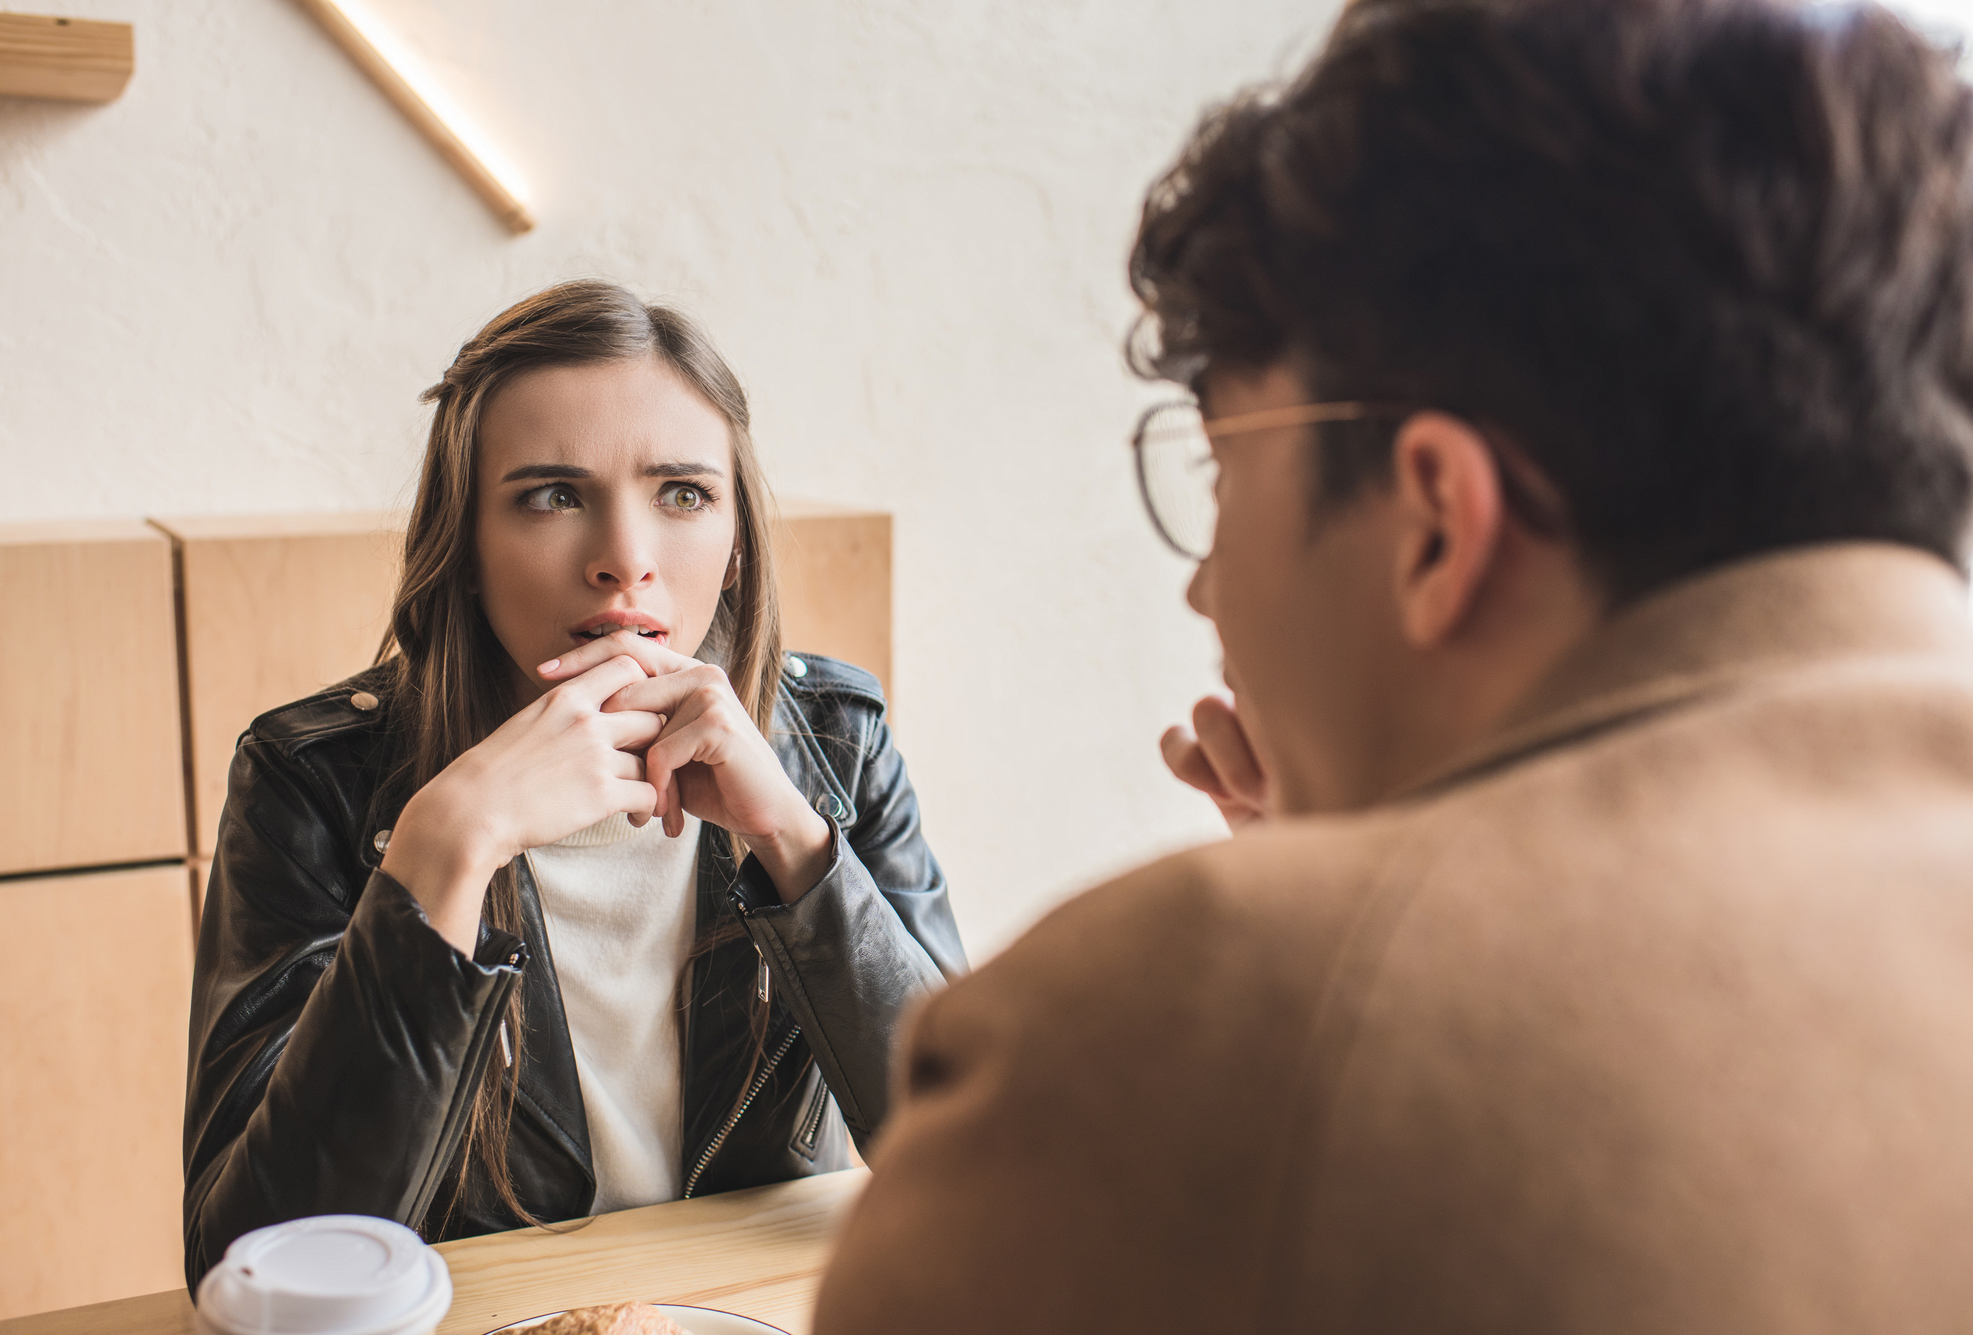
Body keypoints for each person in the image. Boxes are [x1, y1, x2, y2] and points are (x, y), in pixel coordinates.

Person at [813, 0, 1973, 1329]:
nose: (1204, 585)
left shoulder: (1177, 1039)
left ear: (1434, 516)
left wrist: (1329, 945)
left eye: (1222, 474)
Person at [183, 281, 964, 1288]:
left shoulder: (835, 743)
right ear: (462, 546)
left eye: (682, 493)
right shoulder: (313, 781)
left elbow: (970, 1151)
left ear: (734, 549)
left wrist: (800, 848)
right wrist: (444, 848)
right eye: (552, 495)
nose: (624, 562)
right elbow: (251, 1264)